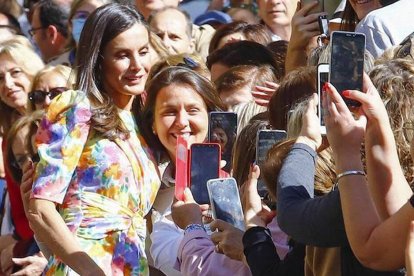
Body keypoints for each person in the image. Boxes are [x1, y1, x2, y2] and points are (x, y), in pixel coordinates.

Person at [27, 4, 160, 275]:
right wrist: (90, 270)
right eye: (123, 55)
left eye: (143, 52)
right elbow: (42, 208)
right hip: (84, 265)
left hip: (132, 265)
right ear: (98, 59)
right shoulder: (76, 107)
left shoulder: (143, 120)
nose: (137, 65)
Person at [0, 40, 44, 275]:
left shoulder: (58, 122)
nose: (7, 84)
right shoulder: (9, 137)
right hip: (32, 232)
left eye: (15, 72)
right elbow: (19, 208)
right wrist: (17, 241)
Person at [29, 0, 71, 65]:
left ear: (51, 33)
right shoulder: (88, 60)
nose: (33, 40)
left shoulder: (57, 72)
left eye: (34, 32)